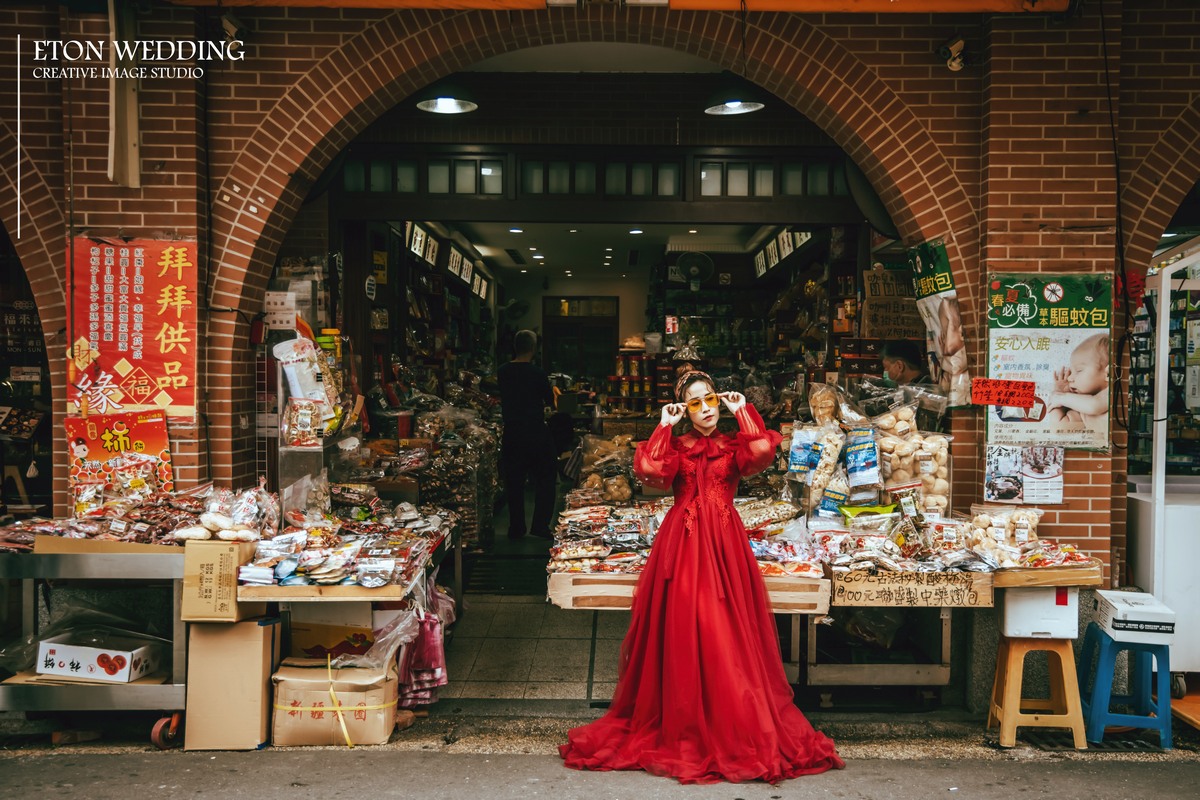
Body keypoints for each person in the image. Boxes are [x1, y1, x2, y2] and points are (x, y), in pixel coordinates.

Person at [559, 371, 843, 784]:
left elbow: (762, 454)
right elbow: (651, 474)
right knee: (688, 627)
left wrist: (742, 409)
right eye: (695, 402)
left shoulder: (732, 444)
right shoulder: (678, 446)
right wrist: (663, 424)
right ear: (684, 409)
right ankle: (689, 723)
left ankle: (730, 718)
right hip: (685, 544)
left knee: (725, 628)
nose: (706, 408)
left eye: (710, 399)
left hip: (725, 544)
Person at [497, 330, 556, 540]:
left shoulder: (502, 371)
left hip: (512, 432)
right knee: (545, 479)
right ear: (533, 349)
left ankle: (516, 527)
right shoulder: (537, 373)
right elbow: (550, 400)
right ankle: (540, 525)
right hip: (535, 432)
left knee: (514, 481)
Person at [1046, 333, 1109, 435]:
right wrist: (1058, 394)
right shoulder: (1081, 408)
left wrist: (1061, 398)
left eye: (1079, 371)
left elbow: (1094, 405)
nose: (1070, 378)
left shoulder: (1112, 391)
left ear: (1108, 374)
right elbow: (1059, 429)